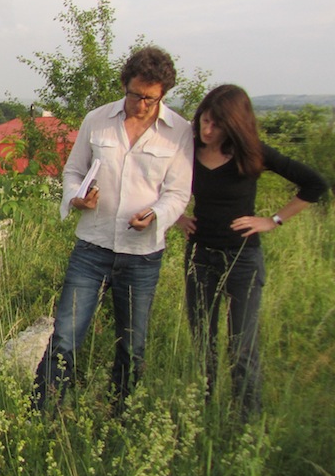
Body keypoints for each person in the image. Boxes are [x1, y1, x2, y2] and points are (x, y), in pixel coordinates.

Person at [32, 46, 194, 412]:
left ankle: (120, 415)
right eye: (136, 95)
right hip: (92, 246)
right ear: (125, 85)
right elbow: (73, 170)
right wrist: (76, 196)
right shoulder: (98, 119)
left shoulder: (179, 131)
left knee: (132, 344)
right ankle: (41, 414)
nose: (142, 105)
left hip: (142, 255)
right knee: (65, 337)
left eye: (151, 99)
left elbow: (178, 192)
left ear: (163, 95)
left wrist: (155, 213)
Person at [176, 84, 328, 421]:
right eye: (204, 120)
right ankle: (203, 416)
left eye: (216, 124)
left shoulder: (252, 151)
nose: (207, 129)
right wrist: (176, 216)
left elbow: (315, 183)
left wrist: (273, 220)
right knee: (203, 342)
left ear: (234, 125)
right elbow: (155, 180)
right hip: (200, 255)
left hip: (243, 258)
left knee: (242, 347)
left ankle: (245, 423)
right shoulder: (186, 147)